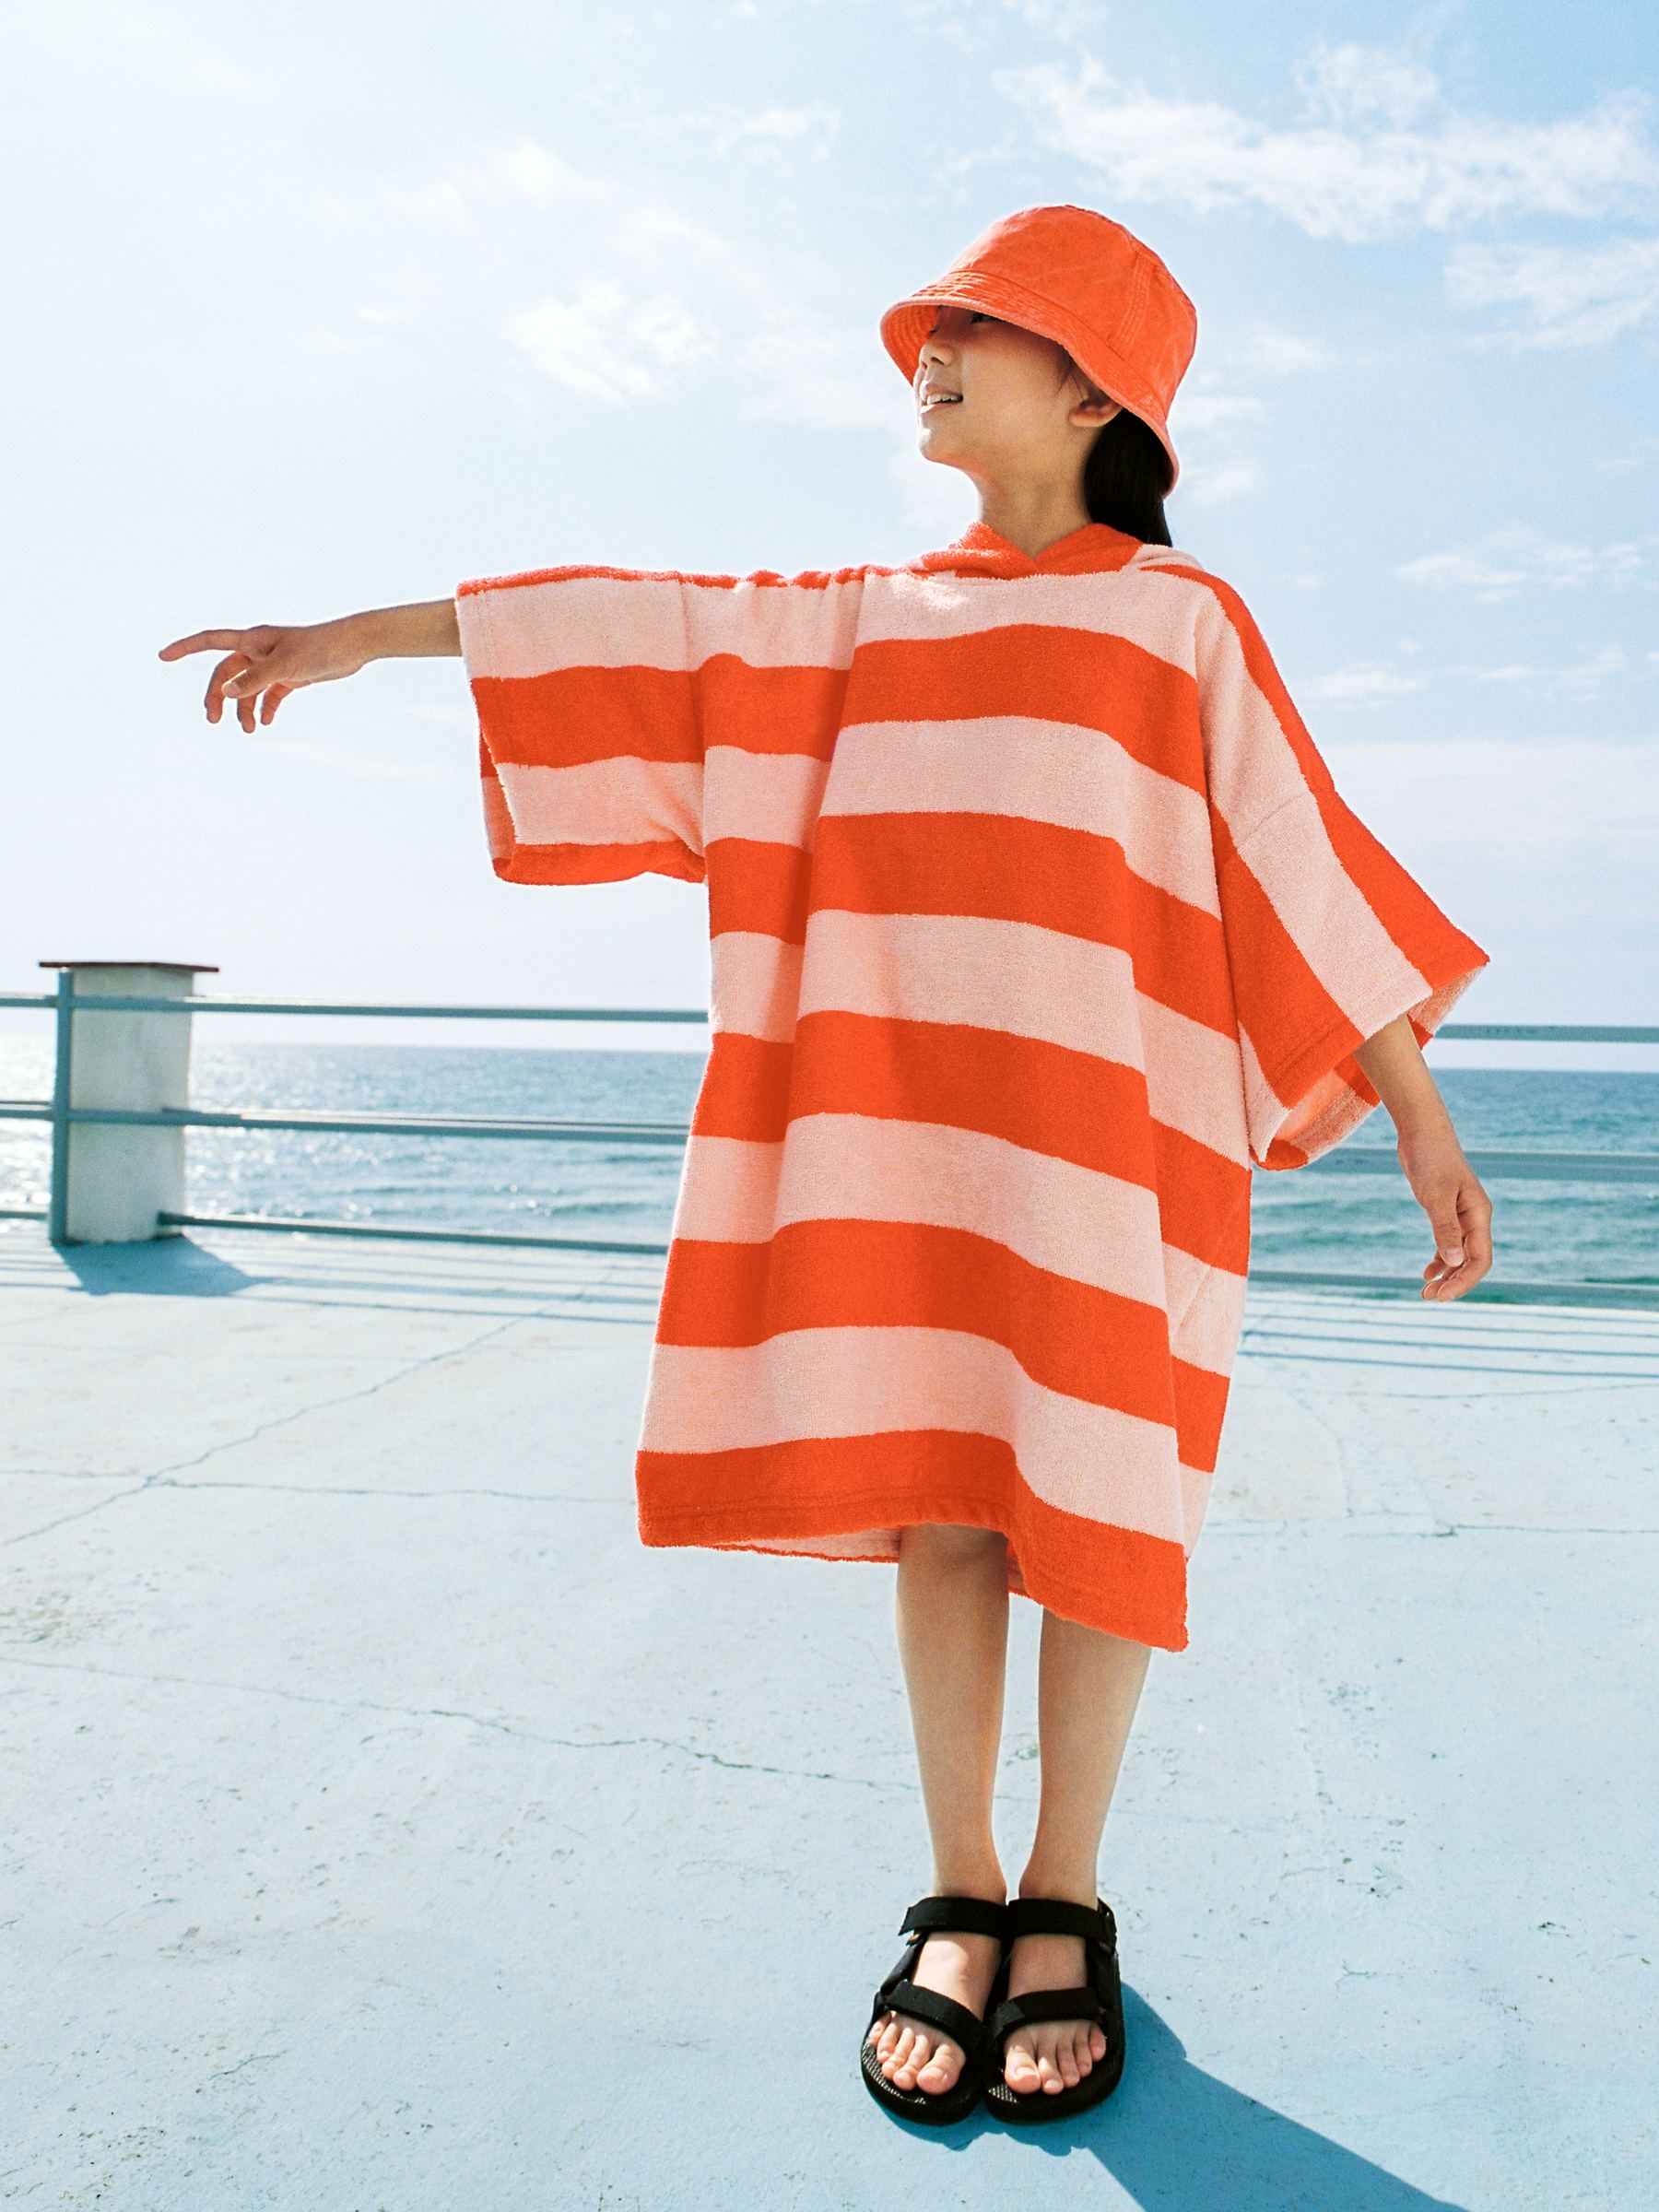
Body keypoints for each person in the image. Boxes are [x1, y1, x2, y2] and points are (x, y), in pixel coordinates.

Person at [159, 202, 1494, 2131]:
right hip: (910, 1148)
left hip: (1116, 1157)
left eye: (977, 331)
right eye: (930, 330)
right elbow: (637, 628)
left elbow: (1300, 863)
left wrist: (1426, 1123)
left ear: (1093, 387)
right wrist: (356, 637)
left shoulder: (1176, 624)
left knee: (1099, 1503)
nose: (928, 360)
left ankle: (1069, 1897)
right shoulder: (864, 618)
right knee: (946, 1500)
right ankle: (962, 1893)